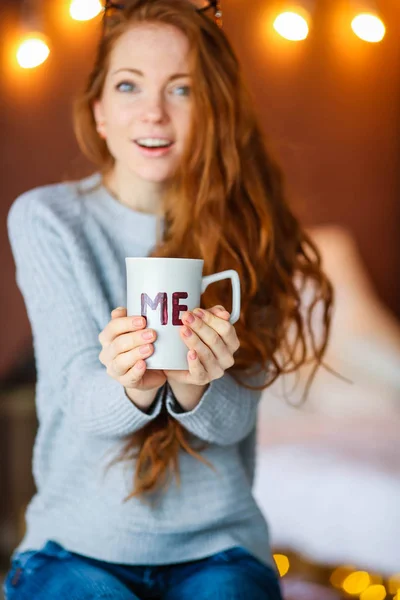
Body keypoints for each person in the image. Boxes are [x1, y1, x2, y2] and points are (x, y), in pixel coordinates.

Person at [3, 0, 333, 598]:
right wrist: (135, 382)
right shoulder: (49, 220)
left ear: (213, 111)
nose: (153, 112)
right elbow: (81, 399)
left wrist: (192, 383)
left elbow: (233, 422)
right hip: (77, 544)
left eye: (182, 90)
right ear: (99, 111)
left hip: (219, 547)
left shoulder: (254, 229)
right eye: (129, 85)